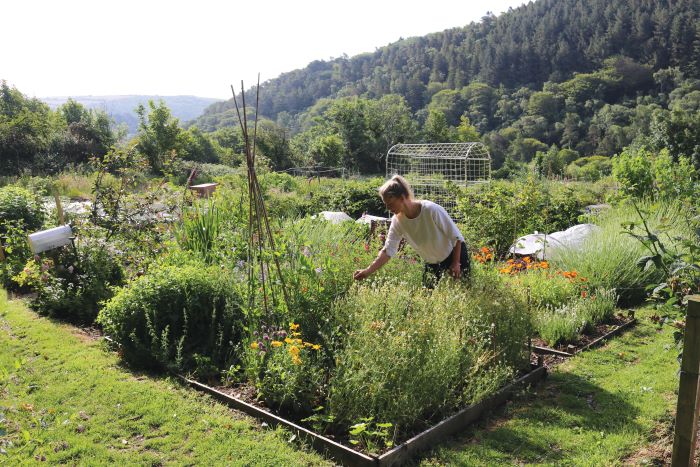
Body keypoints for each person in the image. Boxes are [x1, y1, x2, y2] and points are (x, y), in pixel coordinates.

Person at [353, 175, 470, 284]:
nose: (388, 208)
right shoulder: (397, 221)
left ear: (402, 197)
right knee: (427, 297)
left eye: (390, 203)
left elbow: (456, 237)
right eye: (386, 204)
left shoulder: (431, 209)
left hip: (454, 255)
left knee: (464, 293)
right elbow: (388, 250)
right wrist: (367, 272)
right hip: (432, 263)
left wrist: (455, 263)